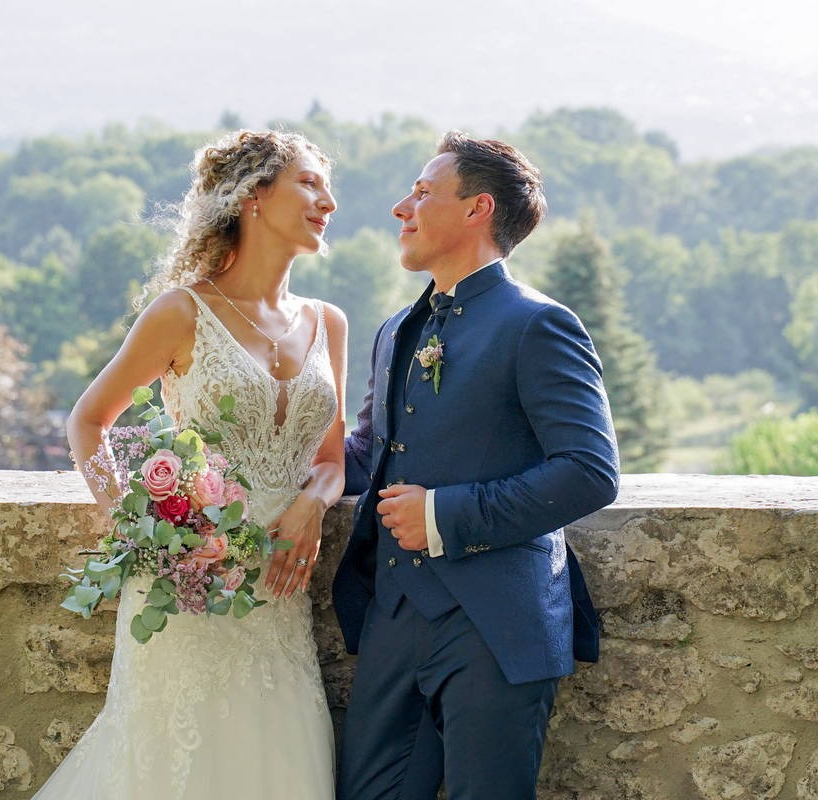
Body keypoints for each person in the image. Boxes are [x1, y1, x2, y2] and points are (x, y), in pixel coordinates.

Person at [33, 130, 346, 800]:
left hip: (279, 593)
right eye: (310, 183)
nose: (329, 200)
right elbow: (89, 421)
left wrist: (312, 503)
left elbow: (332, 459)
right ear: (254, 196)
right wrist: (137, 523)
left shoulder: (328, 323)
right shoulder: (182, 312)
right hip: (187, 588)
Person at [333, 132, 620, 800]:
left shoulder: (538, 325)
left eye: (424, 192)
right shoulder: (395, 330)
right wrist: (250, 482)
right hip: (394, 618)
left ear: (477, 210)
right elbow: (366, 460)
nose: (401, 207)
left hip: (496, 623)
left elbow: (590, 469)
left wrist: (442, 515)